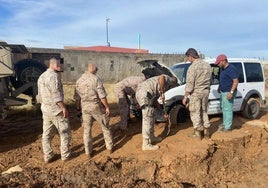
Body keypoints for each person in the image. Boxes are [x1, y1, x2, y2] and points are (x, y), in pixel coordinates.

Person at [37, 57, 72, 163]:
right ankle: (65, 155)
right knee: (65, 132)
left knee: (47, 134)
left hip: (45, 109)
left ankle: (48, 155)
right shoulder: (53, 77)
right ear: (55, 64)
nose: (62, 67)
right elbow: (56, 95)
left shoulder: (41, 76)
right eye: (60, 64)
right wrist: (63, 108)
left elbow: (39, 96)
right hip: (56, 110)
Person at [75, 63, 113, 158]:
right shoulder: (96, 79)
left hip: (84, 107)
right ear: (95, 70)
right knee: (105, 126)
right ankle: (110, 148)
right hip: (95, 106)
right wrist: (107, 107)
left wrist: (78, 109)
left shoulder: (79, 80)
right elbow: (102, 96)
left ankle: (88, 152)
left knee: (87, 130)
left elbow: (77, 98)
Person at [136, 74, 178, 150]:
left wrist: (162, 112)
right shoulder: (169, 79)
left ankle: (151, 137)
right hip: (145, 93)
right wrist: (162, 92)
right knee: (147, 119)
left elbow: (155, 101)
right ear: (173, 83)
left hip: (146, 93)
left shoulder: (158, 86)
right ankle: (146, 144)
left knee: (151, 116)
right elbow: (162, 77)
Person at [182, 48, 212, 140]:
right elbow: (210, 80)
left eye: (188, 57)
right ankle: (207, 133)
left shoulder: (193, 67)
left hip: (196, 92)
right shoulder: (207, 65)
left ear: (191, 56)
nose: (187, 59)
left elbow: (190, 84)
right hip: (206, 91)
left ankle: (198, 134)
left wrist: (185, 96)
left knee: (195, 111)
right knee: (204, 111)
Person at [215, 54, 238, 131]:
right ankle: (225, 123)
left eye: (218, 63)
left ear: (223, 61)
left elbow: (235, 81)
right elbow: (223, 79)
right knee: (224, 108)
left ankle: (228, 127)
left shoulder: (231, 69)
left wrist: (231, 92)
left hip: (228, 92)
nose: (217, 64)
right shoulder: (222, 68)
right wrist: (219, 87)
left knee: (227, 109)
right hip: (223, 91)